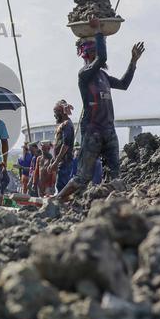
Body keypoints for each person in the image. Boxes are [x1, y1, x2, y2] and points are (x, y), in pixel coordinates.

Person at [55, 16, 145, 202]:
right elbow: (102, 57)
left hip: (109, 131)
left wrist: (133, 62)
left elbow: (123, 84)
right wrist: (97, 31)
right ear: (86, 54)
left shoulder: (103, 76)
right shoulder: (85, 75)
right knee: (82, 176)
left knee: (115, 175)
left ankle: (112, 204)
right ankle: (58, 199)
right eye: (94, 50)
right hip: (93, 132)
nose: (98, 54)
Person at [49, 100, 76, 191]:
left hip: (65, 161)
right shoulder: (62, 125)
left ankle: (63, 205)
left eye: (56, 113)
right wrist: (53, 161)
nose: (55, 115)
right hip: (62, 162)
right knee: (60, 186)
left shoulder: (67, 125)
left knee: (62, 186)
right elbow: (58, 145)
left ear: (61, 112)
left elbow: (66, 145)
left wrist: (56, 162)